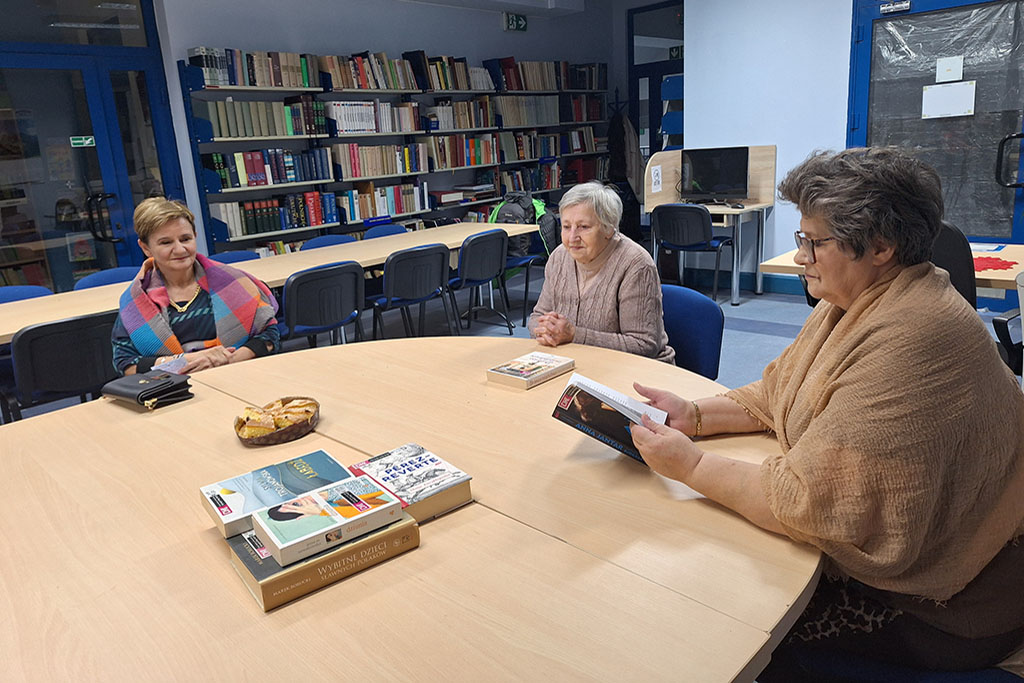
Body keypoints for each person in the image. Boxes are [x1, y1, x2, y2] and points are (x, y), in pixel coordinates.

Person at [630, 148, 1024, 677]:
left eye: (814, 243)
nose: (800, 257)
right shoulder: (861, 300)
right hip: (934, 573)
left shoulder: (916, 336)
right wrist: (694, 416)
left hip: (945, 606)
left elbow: (807, 500)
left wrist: (692, 467)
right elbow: (780, 390)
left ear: (881, 246)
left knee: (720, 618)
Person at [112, 197, 280, 375]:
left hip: (239, 376)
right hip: (173, 392)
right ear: (146, 248)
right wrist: (187, 361)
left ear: (195, 236)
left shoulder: (234, 282)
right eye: (166, 242)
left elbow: (270, 335)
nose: (179, 249)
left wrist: (228, 360)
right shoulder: (136, 301)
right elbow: (125, 362)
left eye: (185, 239)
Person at [527, 181, 674, 363]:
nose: (572, 237)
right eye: (566, 226)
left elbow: (643, 345)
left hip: (635, 371)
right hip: (575, 364)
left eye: (584, 227)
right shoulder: (559, 257)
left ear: (608, 228)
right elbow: (538, 316)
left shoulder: (636, 265)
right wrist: (543, 330)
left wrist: (574, 335)